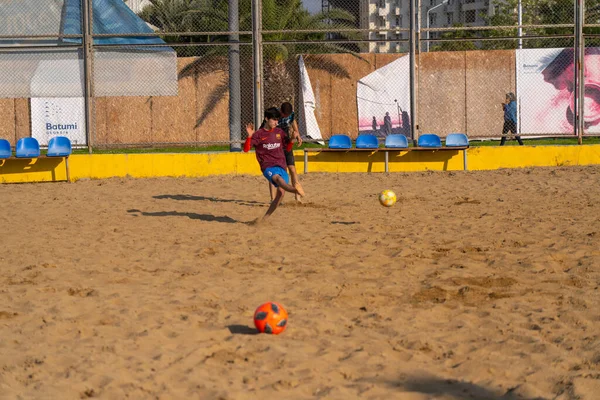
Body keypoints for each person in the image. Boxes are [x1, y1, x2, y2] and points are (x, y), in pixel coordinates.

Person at [244, 107, 305, 221]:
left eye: (277, 120)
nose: (276, 122)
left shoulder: (279, 132)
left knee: (281, 194)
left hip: (281, 165)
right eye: (274, 120)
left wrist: (292, 138)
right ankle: (295, 190)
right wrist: (249, 136)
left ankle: (264, 220)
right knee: (278, 180)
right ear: (267, 119)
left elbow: (287, 147)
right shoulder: (259, 134)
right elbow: (246, 149)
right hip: (268, 167)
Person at [273, 102, 304, 202]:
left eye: (288, 115)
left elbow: (293, 120)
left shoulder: (291, 114)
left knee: (292, 169)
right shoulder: (273, 114)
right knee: (277, 171)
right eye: (285, 115)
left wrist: (297, 133)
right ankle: (273, 198)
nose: (286, 117)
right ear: (281, 112)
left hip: (286, 141)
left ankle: (297, 195)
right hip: (276, 141)